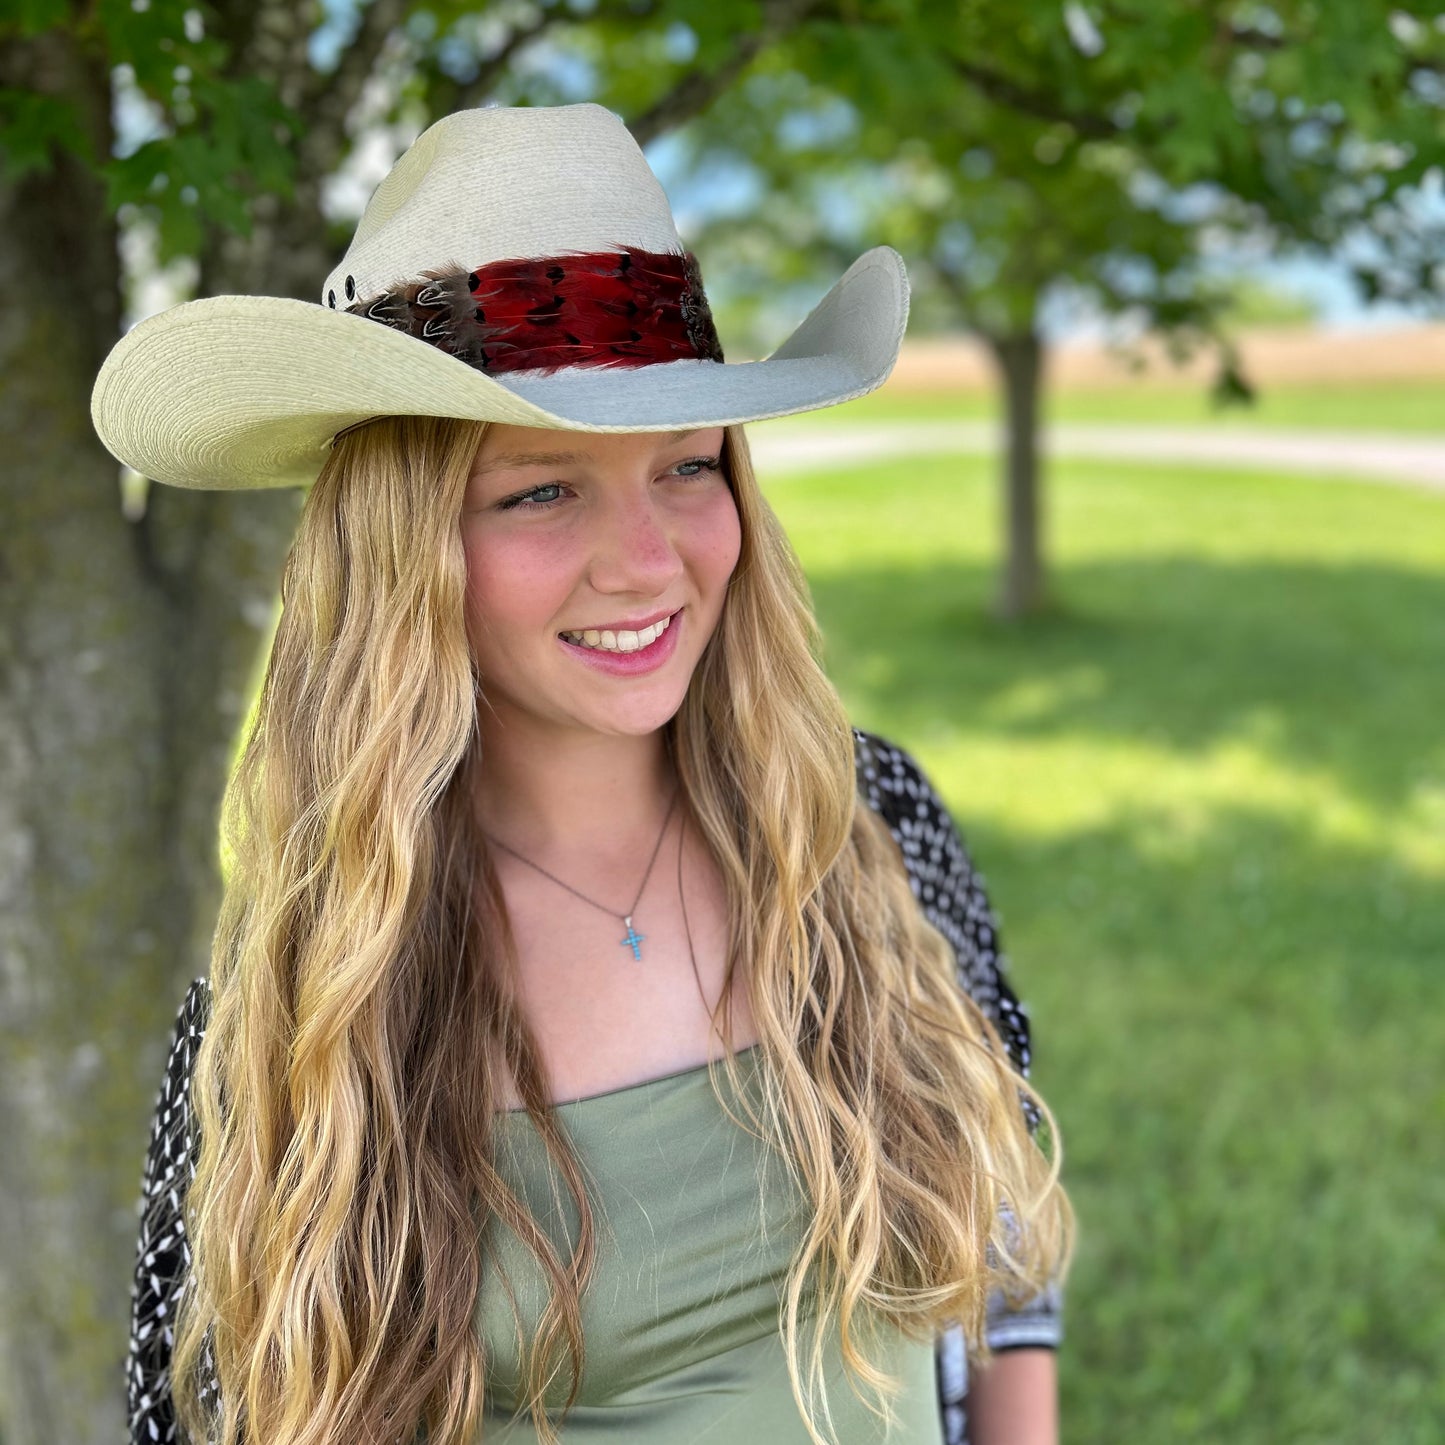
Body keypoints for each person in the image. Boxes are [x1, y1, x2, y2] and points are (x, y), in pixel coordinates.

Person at [95, 103, 1072, 1445]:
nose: (647, 560)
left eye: (686, 466)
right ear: (402, 552)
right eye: (541, 491)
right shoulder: (303, 1006)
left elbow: (1006, 1233)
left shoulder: (861, 816)